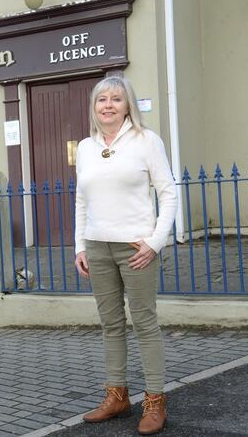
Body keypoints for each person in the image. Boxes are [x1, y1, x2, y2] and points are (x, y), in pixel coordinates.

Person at [74, 76, 177, 435]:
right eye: (102, 99)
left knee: (144, 322)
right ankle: (117, 395)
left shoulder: (146, 141)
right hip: (97, 246)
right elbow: (81, 200)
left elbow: (168, 194)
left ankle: (155, 401)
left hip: (136, 248)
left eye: (116, 99)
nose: (108, 105)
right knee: (111, 323)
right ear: (94, 107)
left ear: (127, 104)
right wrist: (80, 246)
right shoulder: (86, 147)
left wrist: (155, 242)